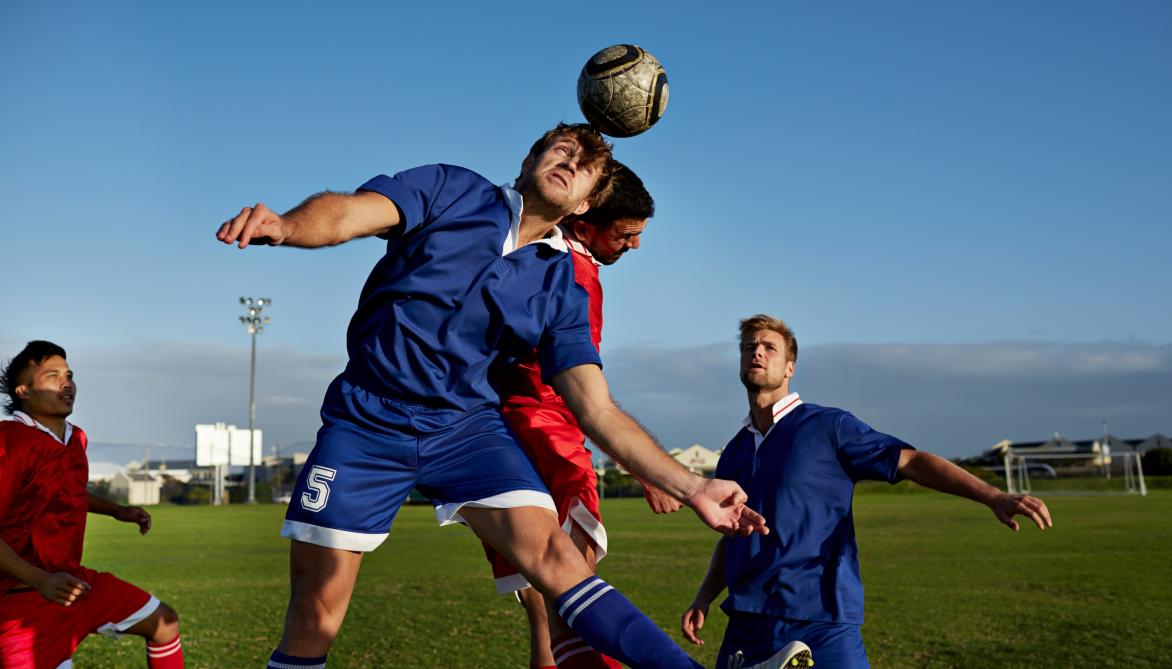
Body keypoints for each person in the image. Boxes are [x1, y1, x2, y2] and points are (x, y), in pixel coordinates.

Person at [217, 124, 797, 669]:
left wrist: (693, 486)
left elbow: (594, 407)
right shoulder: (450, 188)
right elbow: (350, 213)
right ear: (529, 161)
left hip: (465, 431)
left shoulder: (561, 286)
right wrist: (289, 226)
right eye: (562, 150)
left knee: (558, 559)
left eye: (587, 166)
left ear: (585, 204)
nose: (571, 162)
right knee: (315, 615)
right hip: (366, 422)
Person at [681, 315, 1053, 668]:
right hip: (747, 619)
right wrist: (705, 595)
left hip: (821, 618)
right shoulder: (734, 452)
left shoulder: (829, 426)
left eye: (768, 347)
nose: (756, 352)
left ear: (790, 367)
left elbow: (912, 462)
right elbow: (731, 536)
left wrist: (992, 495)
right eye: (748, 347)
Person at [481, 162, 680, 669]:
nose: (634, 246)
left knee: (543, 605)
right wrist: (644, 467)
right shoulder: (573, 271)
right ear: (586, 223)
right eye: (627, 234)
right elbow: (583, 394)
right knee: (577, 590)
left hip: (494, 435)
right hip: (546, 431)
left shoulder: (524, 249)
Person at [0, 341, 183, 668]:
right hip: (20, 599)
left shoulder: (75, 438)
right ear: (24, 391)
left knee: (164, 624)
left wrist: (116, 511)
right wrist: (40, 581)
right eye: (52, 375)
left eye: (69, 375)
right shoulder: (9, 441)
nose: (66, 382)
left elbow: (65, 493)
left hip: (73, 583)